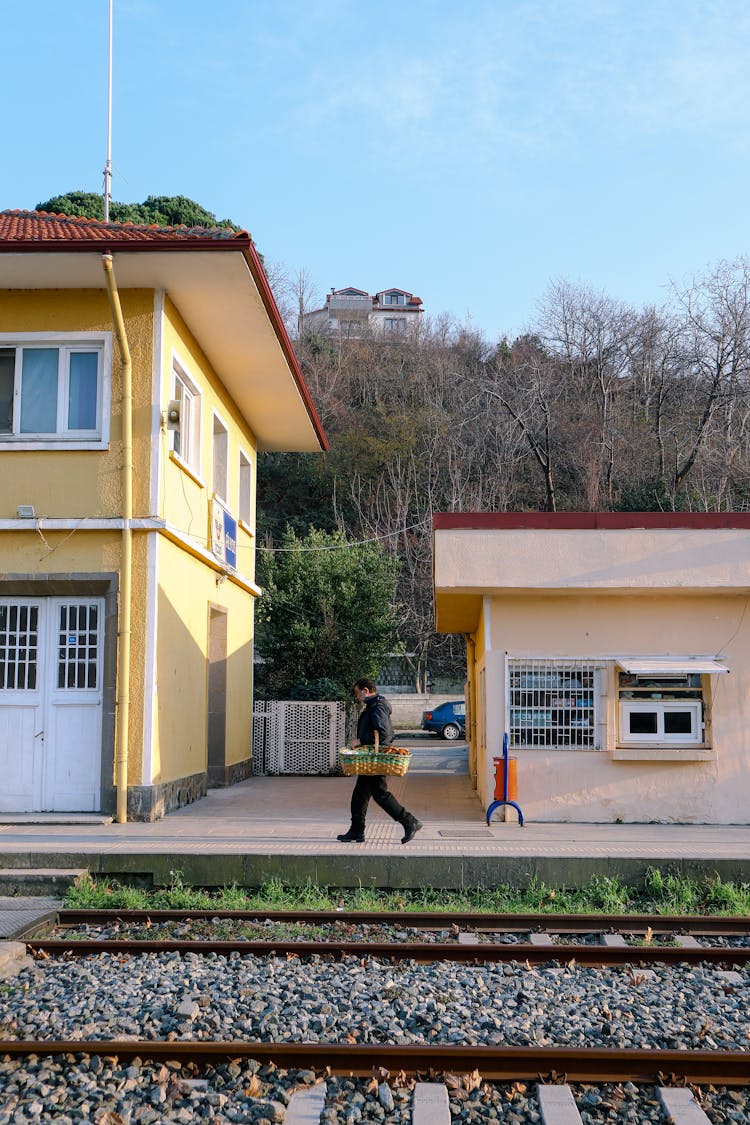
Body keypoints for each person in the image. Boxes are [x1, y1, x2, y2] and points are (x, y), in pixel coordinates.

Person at [337, 677, 423, 844]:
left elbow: (383, 733)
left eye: (357, 693)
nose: (357, 697)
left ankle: (409, 821)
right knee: (360, 795)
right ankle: (357, 831)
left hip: (376, 758)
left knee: (379, 794)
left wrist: (361, 741)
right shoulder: (373, 705)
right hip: (372, 758)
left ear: (365, 691)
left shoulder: (378, 706)